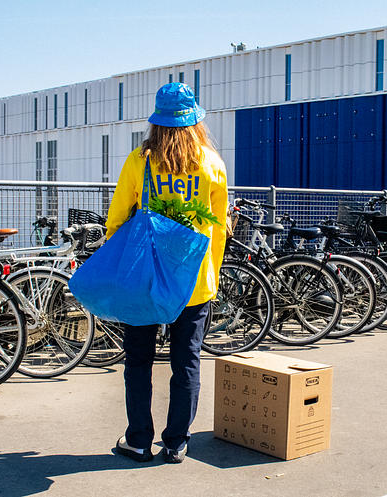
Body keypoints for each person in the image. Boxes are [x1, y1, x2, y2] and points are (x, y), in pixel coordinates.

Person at [106, 83, 228, 464]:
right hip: (193, 280)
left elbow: (116, 221)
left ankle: (139, 439)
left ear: (157, 121)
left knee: (138, 361)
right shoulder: (212, 164)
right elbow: (220, 228)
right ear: (195, 122)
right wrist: (212, 275)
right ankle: (176, 441)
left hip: (144, 279)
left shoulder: (138, 161)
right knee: (186, 362)